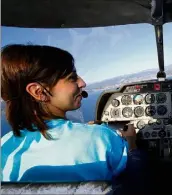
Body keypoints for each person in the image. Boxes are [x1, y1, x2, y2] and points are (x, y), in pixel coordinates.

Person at [1, 44, 138, 183]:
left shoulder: (3, 145)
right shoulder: (100, 138)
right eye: (72, 78)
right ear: (38, 92)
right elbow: (137, 178)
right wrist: (132, 145)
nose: (82, 83)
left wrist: (84, 130)